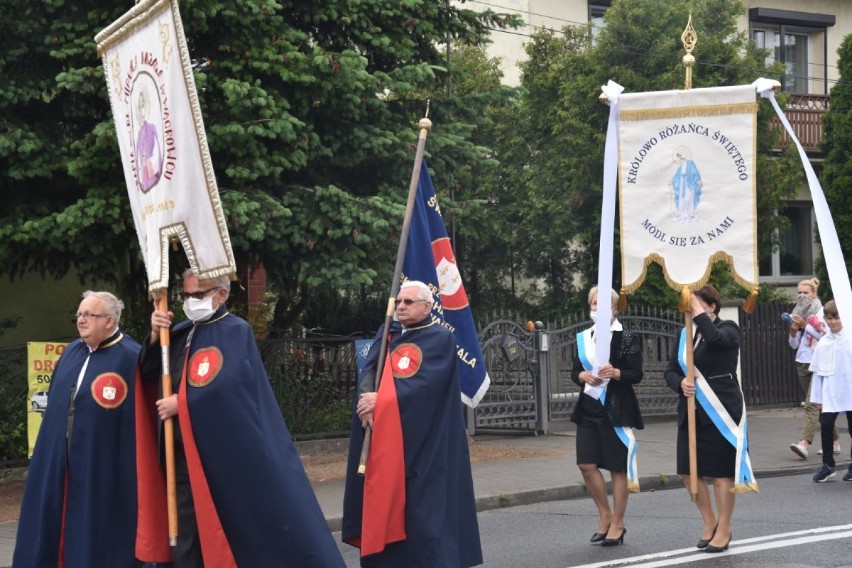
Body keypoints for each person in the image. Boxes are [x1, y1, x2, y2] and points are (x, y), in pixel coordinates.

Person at [137, 269, 344, 567]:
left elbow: (230, 384)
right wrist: (156, 336)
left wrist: (182, 403)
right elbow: (148, 372)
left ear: (221, 295)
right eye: (186, 295)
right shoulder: (180, 332)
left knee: (227, 531)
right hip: (181, 454)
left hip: (218, 455)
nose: (190, 301)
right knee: (186, 536)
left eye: (198, 295)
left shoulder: (235, 330)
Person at [342, 280, 482, 567]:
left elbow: (425, 385)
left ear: (428, 307)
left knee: (422, 510)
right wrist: (368, 397)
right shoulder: (388, 332)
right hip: (386, 438)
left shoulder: (439, 338)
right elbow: (370, 369)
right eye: (399, 302)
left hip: (424, 439)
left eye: (409, 302)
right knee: (384, 502)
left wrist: (380, 403)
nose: (401, 307)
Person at [14, 291, 141, 567]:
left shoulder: (131, 357)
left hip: (102, 465)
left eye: (88, 315)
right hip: (60, 460)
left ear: (109, 320)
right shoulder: (72, 351)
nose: (81, 320)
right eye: (79, 315)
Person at [664, 284, 757, 554]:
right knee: (687, 471)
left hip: (721, 412)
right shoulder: (685, 334)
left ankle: (725, 527)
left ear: (711, 306)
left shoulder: (729, 329)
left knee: (720, 473)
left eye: (696, 304)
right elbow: (670, 370)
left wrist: (698, 314)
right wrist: (680, 382)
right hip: (691, 411)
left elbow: (716, 340)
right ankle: (709, 521)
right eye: (688, 305)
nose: (690, 310)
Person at [570, 287, 644, 547]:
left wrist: (617, 373)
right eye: (592, 304)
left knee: (617, 468)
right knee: (586, 465)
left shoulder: (627, 338)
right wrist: (582, 376)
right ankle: (605, 514)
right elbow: (575, 371)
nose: (595, 309)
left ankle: (618, 523)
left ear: (614, 309)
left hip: (616, 407)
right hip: (589, 408)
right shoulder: (583, 337)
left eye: (601, 305)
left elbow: (637, 373)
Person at [787, 278, 839, 459]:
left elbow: (826, 337)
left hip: (819, 364)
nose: (802, 296)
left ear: (814, 293)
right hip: (802, 362)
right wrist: (793, 331)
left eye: (806, 292)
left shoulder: (822, 313)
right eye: (799, 293)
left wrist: (805, 326)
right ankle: (834, 441)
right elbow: (794, 345)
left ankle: (804, 444)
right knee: (820, 405)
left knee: (811, 404)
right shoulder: (798, 312)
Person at [808, 300, 852, 482]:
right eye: (829, 318)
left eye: (836, 317)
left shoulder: (849, 338)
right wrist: (817, 397)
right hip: (830, 392)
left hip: (849, 389)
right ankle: (828, 465)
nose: (833, 322)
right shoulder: (824, 342)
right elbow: (818, 374)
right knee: (826, 426)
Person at [669, 146, 703, 223]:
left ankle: (689, 213)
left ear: (684, 154)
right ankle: (683, 213)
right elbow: (677, 173)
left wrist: (698, 180)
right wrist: (672, 180)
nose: (680, 157)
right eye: (678, 156)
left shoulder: (690, 163)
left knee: (688, 197)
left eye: (680, 155)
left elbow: (695, 172)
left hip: (689, 182)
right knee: (682, 198)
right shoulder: (681, 165)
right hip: (681, 183)